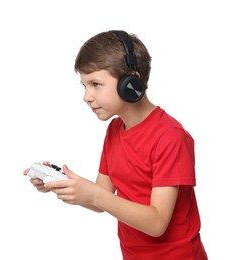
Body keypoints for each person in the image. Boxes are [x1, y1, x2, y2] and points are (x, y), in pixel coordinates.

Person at [24, 30, 208, 259]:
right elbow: (102, 199)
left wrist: (94, 195)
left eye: (95, 84)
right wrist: (65, 186)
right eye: (84, 85)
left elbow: (157, 222)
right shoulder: (114, 130)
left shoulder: (170, 136)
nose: (87, 96)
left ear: (131, 83)